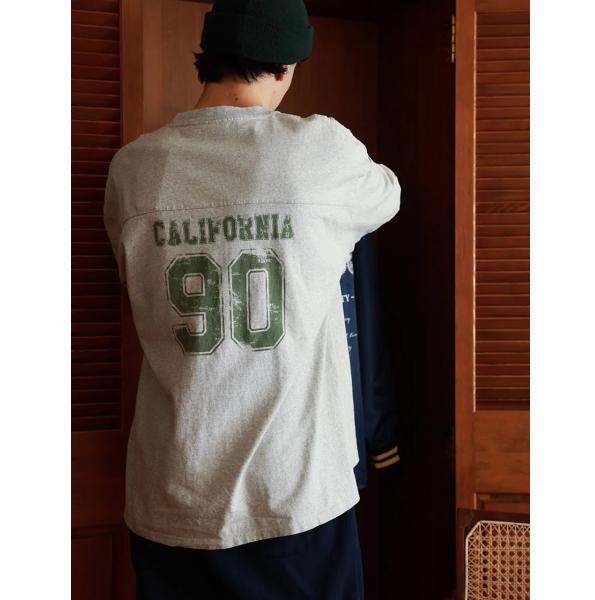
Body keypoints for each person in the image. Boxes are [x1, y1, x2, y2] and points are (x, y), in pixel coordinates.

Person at [103, 0, 401, 597]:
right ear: (286, 66)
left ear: (206, 57)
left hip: (172, 498)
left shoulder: (132, 169)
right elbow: (387, 195)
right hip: (293, 495)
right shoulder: (319, 149)